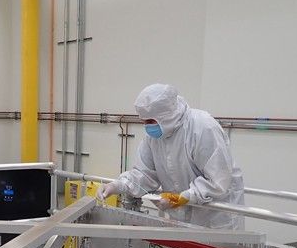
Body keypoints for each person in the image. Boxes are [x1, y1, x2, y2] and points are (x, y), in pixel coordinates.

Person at [97, 83, 245, 229]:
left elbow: (218, 180)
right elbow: (144, 174)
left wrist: (184, 197)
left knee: (214, 245)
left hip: (216, 219)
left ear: (166, 115)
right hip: (182, 218)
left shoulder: (202, 127)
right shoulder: (154, 137)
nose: (147, 126)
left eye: (150, 121)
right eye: (144, 121)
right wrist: (117, 185)